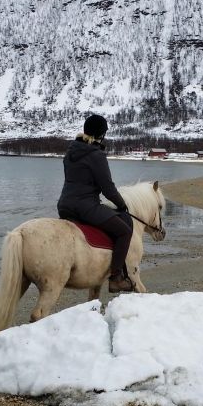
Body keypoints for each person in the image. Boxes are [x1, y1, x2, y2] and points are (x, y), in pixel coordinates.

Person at [57, 114, 135, 293]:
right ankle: (116, 277)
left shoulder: (71, 152)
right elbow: (108, 188)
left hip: (64, 205)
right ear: (102, 134)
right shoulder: (96, 155)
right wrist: (122, 205)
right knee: (124, 231)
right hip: (85, 207)